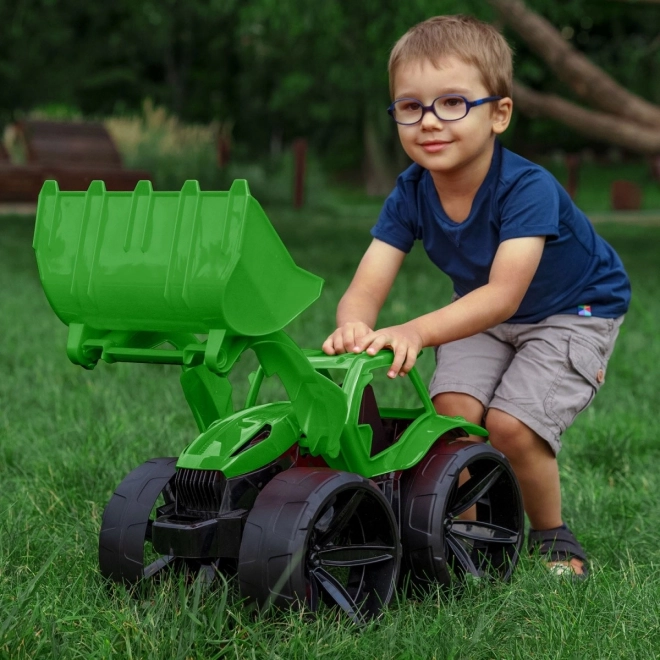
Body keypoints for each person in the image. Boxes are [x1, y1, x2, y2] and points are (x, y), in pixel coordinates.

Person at [322, 14, 630, 579]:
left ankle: (551, 535)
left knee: (512, 426)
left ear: (499, 114)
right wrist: (353, 327)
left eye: (454, 103)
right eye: (410, 106)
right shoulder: (411, 191)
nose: (430, 121)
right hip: (483, 310)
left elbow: (505, 295)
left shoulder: (527, 187)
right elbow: (366, 284)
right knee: (452, 414)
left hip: (573, 309)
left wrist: (415, 330)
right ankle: (459, 525)